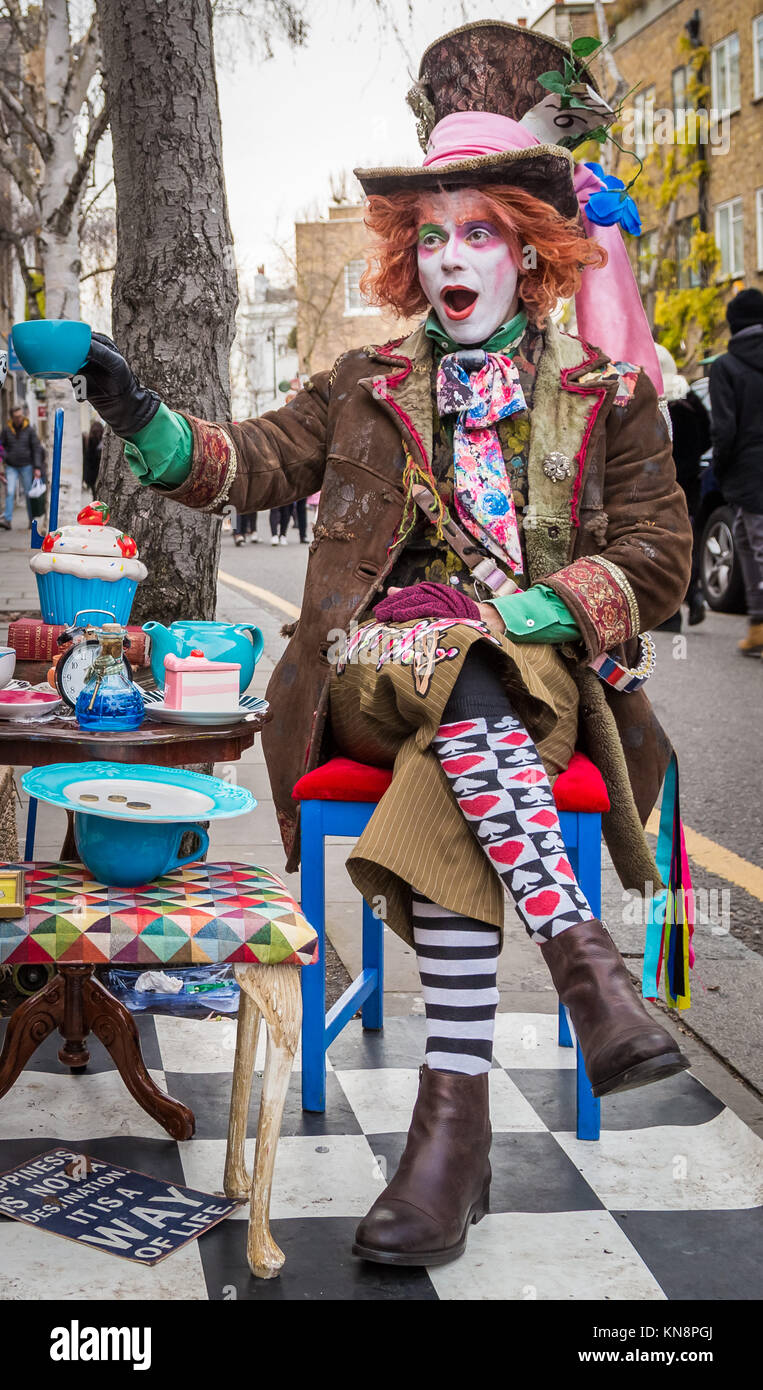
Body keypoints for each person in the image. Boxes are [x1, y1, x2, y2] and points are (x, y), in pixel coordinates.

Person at [73, 21, 693, 1269]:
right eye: (434, 235)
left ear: (532, 250)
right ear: (412, 261)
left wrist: (551, 604)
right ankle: (583, 963)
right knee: (453, 667)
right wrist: (135, 411)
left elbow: (659, 560)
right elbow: (240, 462)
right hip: (368, 672)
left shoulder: (607, 396)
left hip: (536, 680)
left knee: (474, 710)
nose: (453, 254)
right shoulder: (363, 381)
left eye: (481, 232)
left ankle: (445, 1138)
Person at [709, 287, 763, 656]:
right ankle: (758, 624)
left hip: (749, 471)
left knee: (755, 546)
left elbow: (724, 430)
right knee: (745, 540)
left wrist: (718, 468)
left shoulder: (726, 367)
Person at [655, 344, 711, 629]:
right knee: (687, 544)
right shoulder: (690, 401)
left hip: (662, 484)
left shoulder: (654, 402)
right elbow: (708, 438)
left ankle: (671, 613)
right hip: (690, 485)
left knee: (664, 546)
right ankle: (694, 592)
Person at [0, 404, 44, 530]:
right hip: (11, 466)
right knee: (9, 492)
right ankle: (7, 520)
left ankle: (31, 520)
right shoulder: (6, 430)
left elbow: (36, 449)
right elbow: (1, 447)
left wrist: (37, 467)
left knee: (28, 493)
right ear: (12, 418)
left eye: (20, 416)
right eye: (16, 417)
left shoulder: (29, 429)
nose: (19, 419)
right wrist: (5, 457)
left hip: (27, 466)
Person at [83, 419, 104, 494]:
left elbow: (87, 460)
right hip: (100, 473)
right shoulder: (102, 442)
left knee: (95, 494)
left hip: (92, 475)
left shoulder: (88, 441)